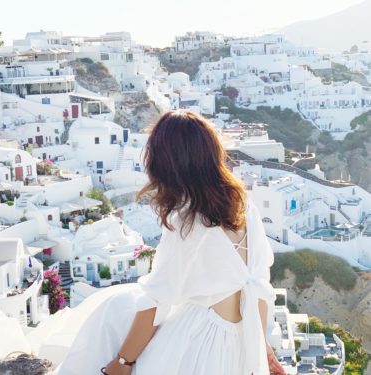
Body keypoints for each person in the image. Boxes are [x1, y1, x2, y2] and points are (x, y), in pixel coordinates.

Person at [43, 111, 285, 375]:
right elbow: (259, 289)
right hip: (238, 348)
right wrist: (260, 349)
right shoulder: (245, 207)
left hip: (198, 348)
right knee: (120, 305)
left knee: (110, 314)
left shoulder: (189, 222)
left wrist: (122, 363)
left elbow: (156, 304)